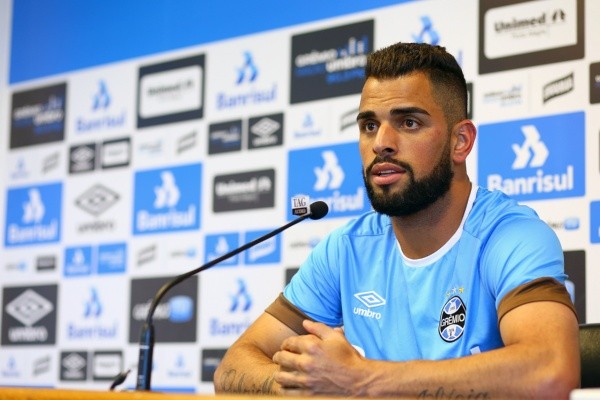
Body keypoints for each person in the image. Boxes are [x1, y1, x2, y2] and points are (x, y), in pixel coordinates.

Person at [213, 42, 580, 398]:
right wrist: (307, 383)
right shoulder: (346, 248)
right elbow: (232, 366)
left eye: (408, 122)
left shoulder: (511, 235)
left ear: (461, 141)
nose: (381, 143)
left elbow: (550, 373)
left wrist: (361, 380)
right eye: (369, 125)